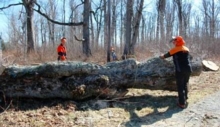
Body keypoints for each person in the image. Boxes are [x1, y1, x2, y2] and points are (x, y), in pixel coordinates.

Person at [160, 36, 192, 109]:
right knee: (185, 83)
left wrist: (161, 56)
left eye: (174, 41)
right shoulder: (186, 49)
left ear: (177, 41)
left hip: (180, 70)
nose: (173, 42)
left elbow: (165, 56)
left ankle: (181, 103)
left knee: (180, 86)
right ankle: (185, 98)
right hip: (188, 69)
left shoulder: (175, 49)